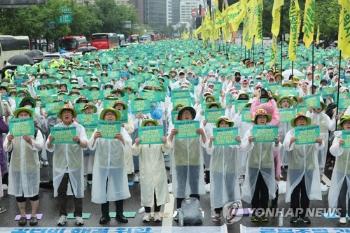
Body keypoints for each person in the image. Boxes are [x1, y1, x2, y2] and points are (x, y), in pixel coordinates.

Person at [46, 104, 88, 227]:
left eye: (69, 112)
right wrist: (51, 141)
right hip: (60, 166)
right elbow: (48, 147)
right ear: (61, 116)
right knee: (61, 192)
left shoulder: (79, 128)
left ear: (73, 115)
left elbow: (86, 144)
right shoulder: (56, 128)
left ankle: (79, 216)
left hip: (75, 165)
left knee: (77, 191)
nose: (66, 114)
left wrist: (79, 141)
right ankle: (62, 215)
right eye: (64, 112)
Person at [89, 108, 130, 225]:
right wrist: (94, 137)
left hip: (117, 164)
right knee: (103, 189)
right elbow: (90, 146)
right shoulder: (98, 129)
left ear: (116, 117)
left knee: (118, 189)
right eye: (107, 114)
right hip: (102, 165)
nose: (110, 116)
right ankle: (105, 215)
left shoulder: (121, 129)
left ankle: (119, 214)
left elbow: (128, 144)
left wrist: (122, 139)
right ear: (103, 117)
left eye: (112, 114)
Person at [3, 107, 44, 226]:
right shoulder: (12, 131)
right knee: (19, 193)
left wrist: (30, 141)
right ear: (17, 117)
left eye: (26, 114)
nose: (23, 116)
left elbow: (41, 146)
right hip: (16, 167)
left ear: (29, 117)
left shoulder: (35, 131)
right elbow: (6, 147)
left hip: (31, 166)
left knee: (33, 192)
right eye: (21, 115)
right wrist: (9, 140)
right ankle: (22, 215)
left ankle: (34, 215)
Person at [168, 106, 206, 221]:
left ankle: (195, 211)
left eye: (188, 113)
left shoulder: (198, 126)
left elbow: (206, 144)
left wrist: (203, 134)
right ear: (180, 116)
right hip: (180, 161)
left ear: (192, 116)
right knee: (181, 186)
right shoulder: (175, 127)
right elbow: (168, 146)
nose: (186, 115)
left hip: (194, 161)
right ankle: (179, 211)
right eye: (184, 113)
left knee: (194, 186)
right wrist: (171, 135)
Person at [283, 113, 323, 224]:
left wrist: (320, 142)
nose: (301, 121)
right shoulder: (290, 133)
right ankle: (295, 215)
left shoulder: (311, 132)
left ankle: (304, 214)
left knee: (306, 192)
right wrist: (291, 140)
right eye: (299, 120)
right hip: (295, 167)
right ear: (295, 122)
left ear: (306, 122)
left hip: (309, 167)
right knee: (295, 191)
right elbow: (286, 146)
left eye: (303, 120)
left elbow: (320, 146)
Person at [242, 108, 280, 222]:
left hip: (266, 165)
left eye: (264, 118)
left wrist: (277, 142)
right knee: (254, 189)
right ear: (256, 120)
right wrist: (249, 141)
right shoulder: (250, 131)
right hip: (253, 165)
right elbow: (244, 147)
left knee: (264, 190)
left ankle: (263, 213)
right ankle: (254, 212)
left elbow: (275, 149)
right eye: (260, 118)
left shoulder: (271, 131)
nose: (262, 119)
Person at [132, 119, 170, 223]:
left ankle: (157, 213)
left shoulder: (159, 140)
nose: (149, 127)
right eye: (147, 125)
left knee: (157, 192)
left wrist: (165, 142)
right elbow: (134, 152)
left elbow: (167, 150)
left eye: (151, 125)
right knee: (146, 192)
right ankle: (147, 213)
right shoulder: (141, 141)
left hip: (158, 171)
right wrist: (136, 143)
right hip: (146, 171)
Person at [207, 117, 243, 223]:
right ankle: (217, 211)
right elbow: (209, 151)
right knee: (217, 189)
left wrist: (239, 141)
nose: (224, 125)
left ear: (229, 126)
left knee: (230, 190)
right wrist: (211, 142)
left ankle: (230, 212)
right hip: (217, 168)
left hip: (231, 168)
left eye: (226, 124)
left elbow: (242, 148)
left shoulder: (234, 136)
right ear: (218, 126)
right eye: (221, 123)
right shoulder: (215, 137)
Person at [329, 115, 350, 224]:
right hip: (341, 169)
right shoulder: (338, 137)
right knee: (342, 192)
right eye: (346, 123)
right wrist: (339, 145)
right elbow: (332, 150)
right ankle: (342, 214)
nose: (348, 125)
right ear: (342, 125)